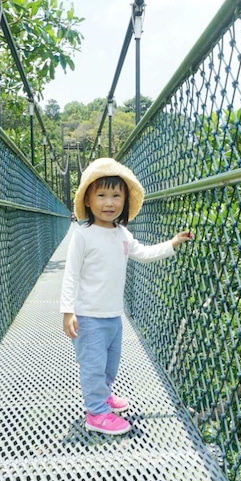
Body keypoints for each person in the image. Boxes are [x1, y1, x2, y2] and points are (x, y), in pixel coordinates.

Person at [60, 158, 193, 435]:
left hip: (113, 316)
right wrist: (68, 311)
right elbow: (71, 274)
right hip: (88, 316)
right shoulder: (83, 235)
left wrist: (172, 243)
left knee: (109, 365)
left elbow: (142, 253)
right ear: (87, 200)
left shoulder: (121, 233)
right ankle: (96, 413)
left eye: (116, 196)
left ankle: (104, 397)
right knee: (93, 366)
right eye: (102, 195)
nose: (109, 203)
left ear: (124, 202)